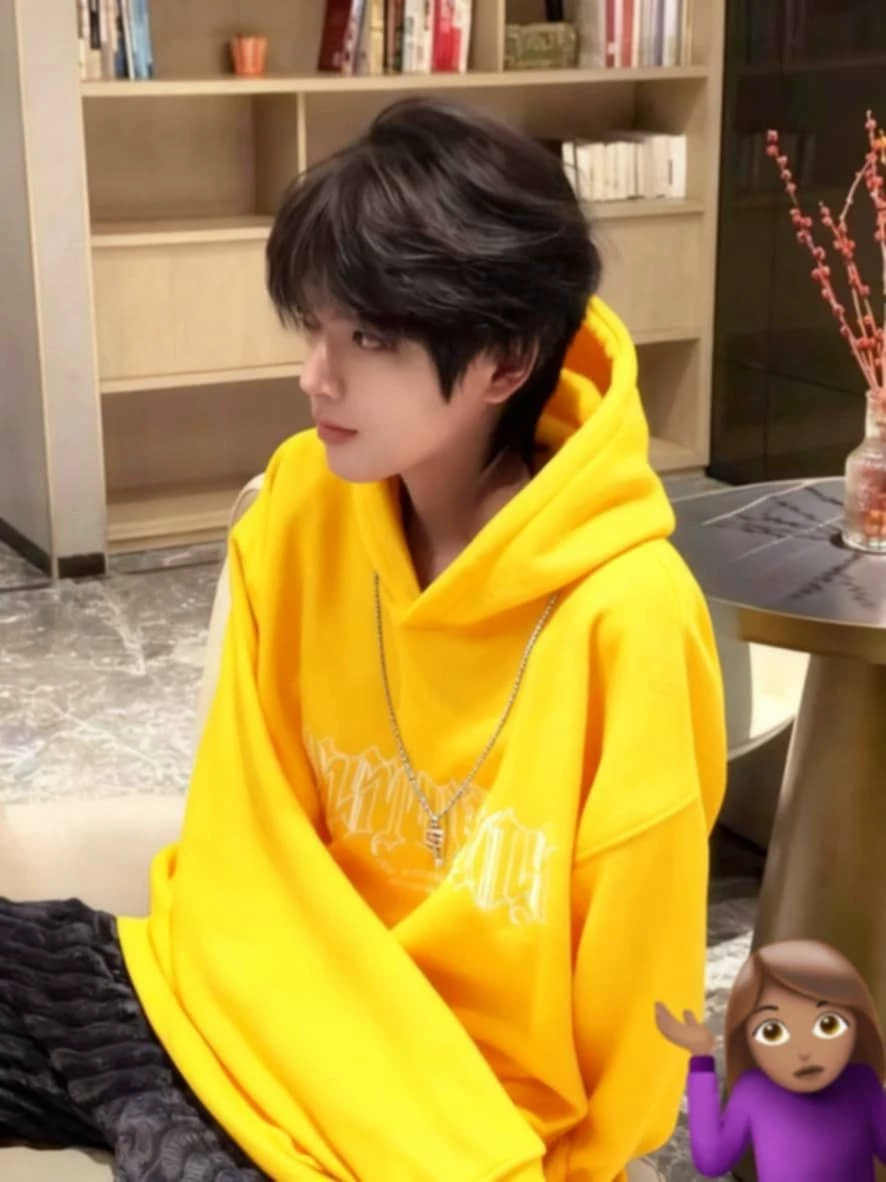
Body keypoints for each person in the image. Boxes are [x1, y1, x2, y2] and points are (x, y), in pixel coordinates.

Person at [0, 95, 726, 1180]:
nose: (316, 376)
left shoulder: (629, 617)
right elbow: (242, 829)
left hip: (446, 1127)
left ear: (504, 362)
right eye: (315, 328)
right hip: (220, 1004)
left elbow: (637, 995)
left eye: (369, 340)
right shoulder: (302, 504)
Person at [655, 939, 886, 1181]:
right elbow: (712, 1160)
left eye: (828, 1025)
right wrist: (700, 1057)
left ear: (858, 1025)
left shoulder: (862, 1084)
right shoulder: (754, 1091)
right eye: (772, 1031)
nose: (804, 1050)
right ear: (746, 1039)